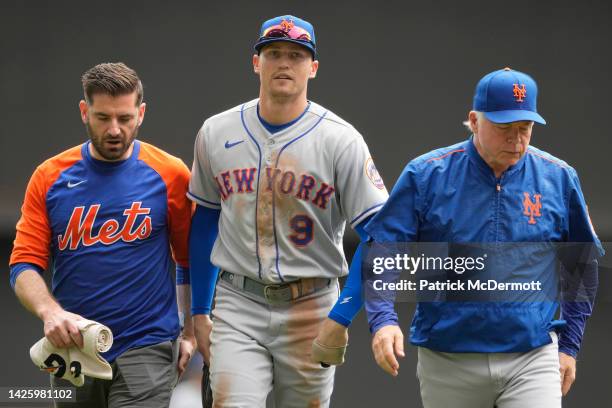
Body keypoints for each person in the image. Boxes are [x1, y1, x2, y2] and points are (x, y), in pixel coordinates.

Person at [362, 67, 603, 407]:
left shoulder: (558, 177)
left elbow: (580, 264)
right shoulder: (427, 174)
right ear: (474, 121)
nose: (516, 140)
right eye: (504, 128)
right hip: (448, 358)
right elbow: (384, 248)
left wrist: (569, 346)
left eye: (525, 128)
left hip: (532, 356)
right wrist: (383, 320)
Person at [188, 15, 388, 407]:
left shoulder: (341, 140)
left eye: (296, 56)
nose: (284, 63)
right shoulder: (216, 131)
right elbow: (206, 221)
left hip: (312, 303)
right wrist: (199, 311)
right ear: (255, 62)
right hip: (238, 301)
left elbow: (380, 236)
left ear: (312, 68)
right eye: (274, 52)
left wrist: (342, 316)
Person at [9, 62, 196, 408]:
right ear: (84, 111)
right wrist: (50, 312)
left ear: (141, 114)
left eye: (124, 119)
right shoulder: (49, 177)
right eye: (103, 117)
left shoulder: (169, 173)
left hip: (147, 343)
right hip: (75, 345)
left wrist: (190, 332)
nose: (114, 129)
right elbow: (23, 265)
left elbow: (188, 258)